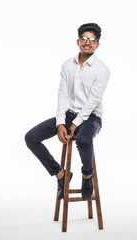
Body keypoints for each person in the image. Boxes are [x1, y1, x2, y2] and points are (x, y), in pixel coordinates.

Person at [25, 23, 110, 201]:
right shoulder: (67, 65)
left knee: (84, 139)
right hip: (69, 114)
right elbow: (62, 95)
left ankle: (87, 176)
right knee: (31, 137)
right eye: (84, 39)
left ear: (97, 44)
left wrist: (74, 125)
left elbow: (92, 101)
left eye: (92, 40)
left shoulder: (102, 70)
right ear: (78, 41)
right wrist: (60, 123)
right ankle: (61, 175)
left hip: (91, 117)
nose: (87, 42)